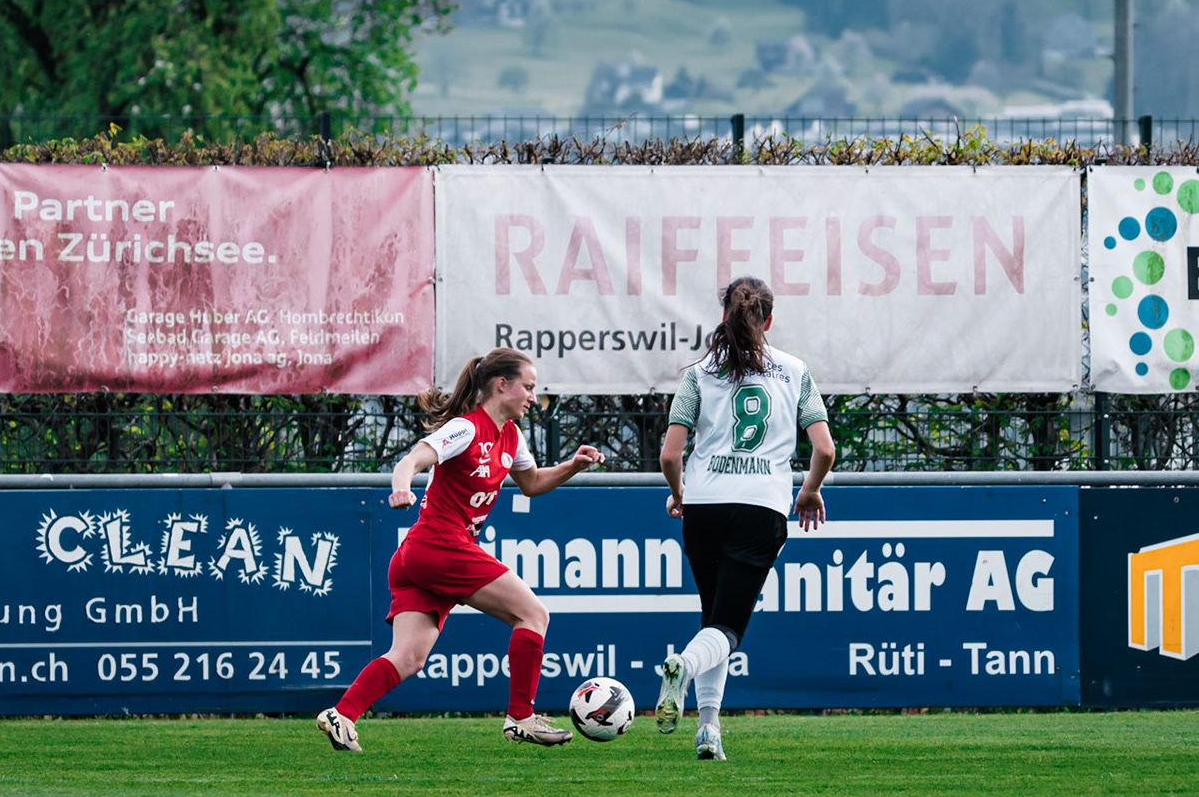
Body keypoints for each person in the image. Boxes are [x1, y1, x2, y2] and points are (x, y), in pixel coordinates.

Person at [317, 348, 604, 752]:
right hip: (438, 544)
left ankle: (341, 715)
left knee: (409, 657)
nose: (532, 398)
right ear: (502, 385)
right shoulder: (466, 429)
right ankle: (521, 716)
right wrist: (401, 487)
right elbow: (413, 459)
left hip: (420, 556)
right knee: (533, 614)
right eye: (529, 387)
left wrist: (572, 465)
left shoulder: (512, 437)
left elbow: (533, 483)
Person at [655, 276, 835, 760]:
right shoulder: (794, 370)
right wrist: (810, 490)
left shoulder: (699, 372)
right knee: (728, 628)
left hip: (706, 507)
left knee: (714, 620)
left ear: (723, 318)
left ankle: (708, 729)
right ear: (769, 321)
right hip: (760, 507)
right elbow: (824, 448)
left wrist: (679, 494)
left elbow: (671, 455)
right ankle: (682, 667)